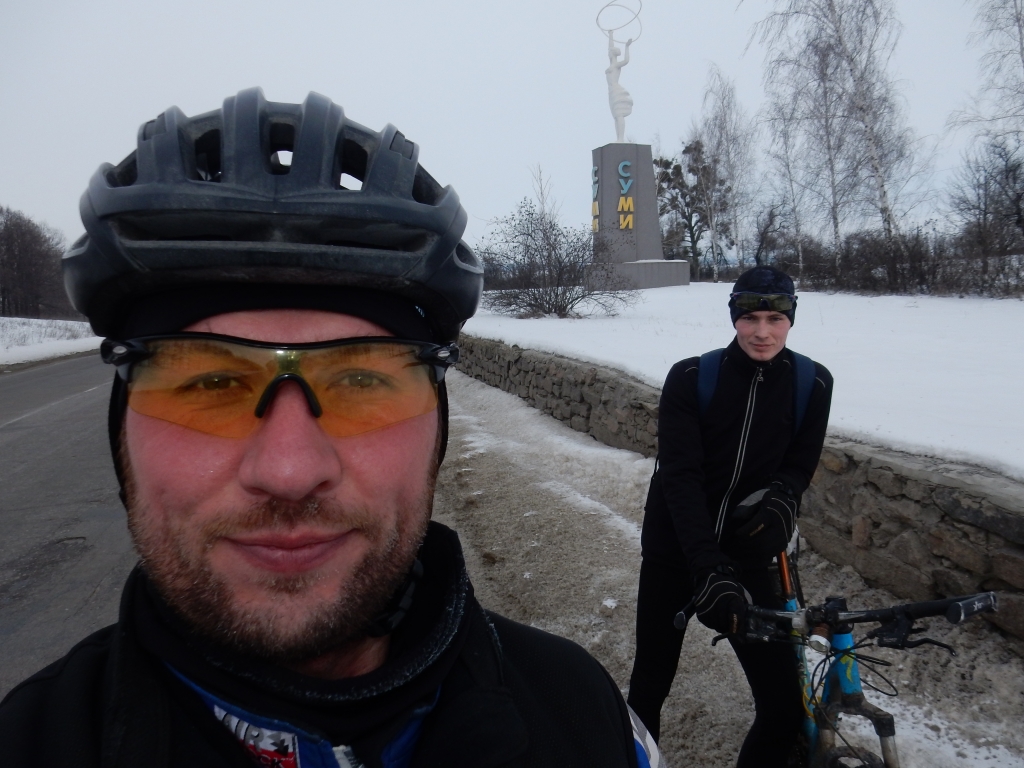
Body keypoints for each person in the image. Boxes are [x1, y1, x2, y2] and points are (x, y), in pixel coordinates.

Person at [0, 88, 661, 768]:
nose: (289, 471)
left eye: (362, 382)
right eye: (209, 383)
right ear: (121, 434)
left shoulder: (584, 718)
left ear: (438, 431)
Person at [626, 266, 833, 767]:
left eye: (774, 319)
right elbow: (680, 477)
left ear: (791, 319)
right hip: (676, 552)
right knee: (649, 688)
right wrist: (707, 566)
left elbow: (800, 462)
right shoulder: (692, 377)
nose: (762, 332)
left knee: (784, 707)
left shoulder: (812, 383)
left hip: (748, 555)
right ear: (733, 318)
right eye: (750, 318)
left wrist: (784, 497)